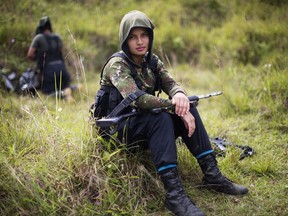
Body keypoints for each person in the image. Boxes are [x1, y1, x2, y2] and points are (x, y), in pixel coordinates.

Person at [96, 10, 248, 216]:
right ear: (124, 39)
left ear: (150, 36)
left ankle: (212, 175)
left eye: (144, 35)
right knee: (161, 116)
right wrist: (174, 106)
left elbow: (171, 83)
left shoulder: (151, 61)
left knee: (188, 105)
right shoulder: (117, 65)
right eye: (133, 37)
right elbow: (138, 100)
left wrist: (180, 96)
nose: (140, 41)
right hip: (116, 130)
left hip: (142, 123)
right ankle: (174, 195)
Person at [27, 16, 74, 102]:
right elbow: (60, 53)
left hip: (48, 70)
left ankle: (64, 93)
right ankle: (75, 88)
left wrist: (38, 59)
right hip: (62, 68)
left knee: (47, 94)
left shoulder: (38, 38)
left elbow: (30, 55)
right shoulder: (57, 38)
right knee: (64, 86)